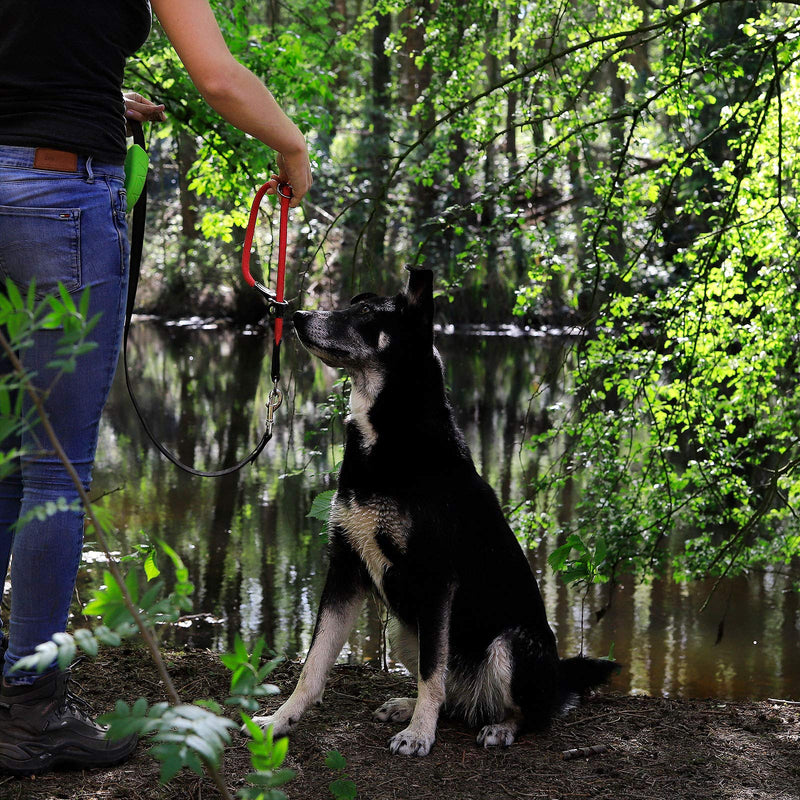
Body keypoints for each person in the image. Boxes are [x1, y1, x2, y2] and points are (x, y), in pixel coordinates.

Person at [0, 0, 311, 775]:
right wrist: (293, 148)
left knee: (7, 458)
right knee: (54, 471)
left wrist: (93, 101)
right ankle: (31, 709)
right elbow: (217, 75)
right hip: (58, 199)